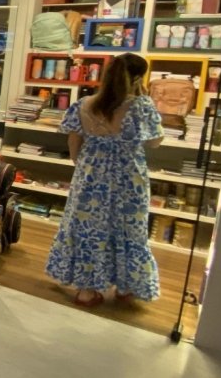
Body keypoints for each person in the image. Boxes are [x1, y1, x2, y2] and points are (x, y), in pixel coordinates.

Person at [45, 53, 163, 307]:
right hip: (128, 178)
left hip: (90, 175)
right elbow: (155, 141)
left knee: (87, 229)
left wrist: (83, 166)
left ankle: (86, 290)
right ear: (138, 78)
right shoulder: (141, 106)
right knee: (129, 229)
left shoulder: (84, 104)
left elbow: (73, 142)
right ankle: (126, 285)